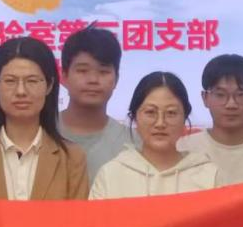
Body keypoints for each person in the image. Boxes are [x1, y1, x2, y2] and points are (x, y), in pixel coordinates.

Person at [0, 36, 89, 201]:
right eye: (10, 81)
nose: (21, 91)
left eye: (32, 81)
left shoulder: (72, 158)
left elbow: (78, 217)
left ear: (49, 85)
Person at [90, 72, 218, 198]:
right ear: (134, 117)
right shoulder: (111, 175)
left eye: (171, 113)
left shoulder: (208, 176)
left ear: (184, 118)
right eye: (150, 112)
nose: (160, 123)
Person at [59, 26, 133, 179]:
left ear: (116, 79)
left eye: (103, 72)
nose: (93, 80)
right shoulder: (40, 133)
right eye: (82, 71)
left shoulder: (133, 143)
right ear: (64, 76)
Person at [178, 54, 243, 185]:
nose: (231, 104)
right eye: (220, 95)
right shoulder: (183, 148)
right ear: (205, 98)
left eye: (240, 94)